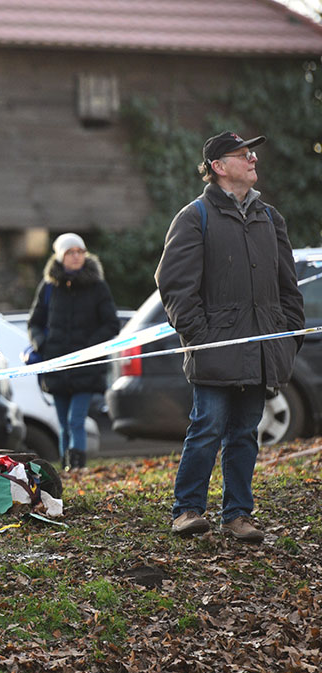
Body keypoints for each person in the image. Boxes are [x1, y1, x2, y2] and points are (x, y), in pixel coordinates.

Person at [156, 131, 303, 543]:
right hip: (215, 351)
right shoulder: (194, 217)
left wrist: (286, 337)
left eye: (253, 152)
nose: (254, 158)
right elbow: (174, 286)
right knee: (207, 428)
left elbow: (288, 287)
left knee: (244, 433)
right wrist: (202, 338)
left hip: (260, 351)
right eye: (244, 154)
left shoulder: (270, 218)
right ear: (219, 167)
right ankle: (187, 510)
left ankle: (238, 515)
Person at [27, 233, 119, 472]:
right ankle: (66, 469)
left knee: (75, 420)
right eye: (70, 252)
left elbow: (111, 324)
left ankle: (78, 467)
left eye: (80, 251)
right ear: (60, 256)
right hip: (56, 366)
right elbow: (34, 323)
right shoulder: (48, 287)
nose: (76, 256)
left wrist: (89, 348)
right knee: (63, 424)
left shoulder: (98, 286)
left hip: (85, 367)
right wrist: (42, 345)